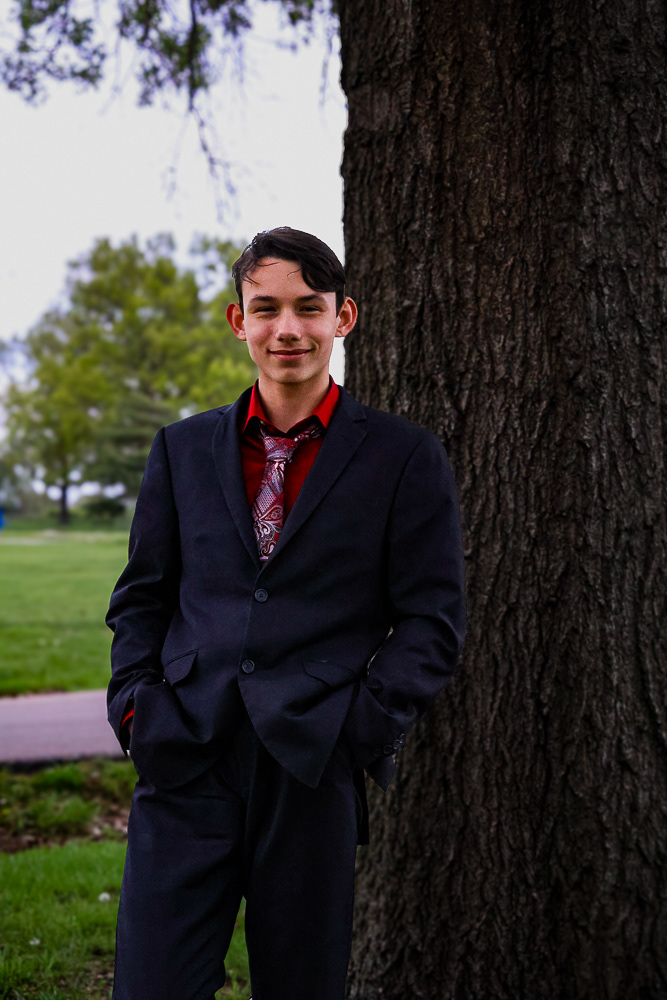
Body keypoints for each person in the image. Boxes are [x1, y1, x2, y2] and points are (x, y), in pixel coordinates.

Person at [106, 227, 466, 1000]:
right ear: (239, 321)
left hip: (311, 764)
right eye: (266, 309)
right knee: (151, 985)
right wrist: (135, 709)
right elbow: (141, 597)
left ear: (343, 317)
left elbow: (431, 620)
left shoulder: (402, 457)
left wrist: (359, 726)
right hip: (184, 755)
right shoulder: (181, 450)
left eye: (308, 307)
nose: (287, 329)